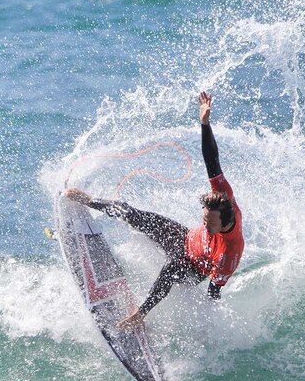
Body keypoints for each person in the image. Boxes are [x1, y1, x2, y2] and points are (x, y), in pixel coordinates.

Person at [65, 91, 244, 328]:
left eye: (211, 225)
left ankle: (140, 315)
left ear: (225, 222)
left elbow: (213, 291)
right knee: (135, 216)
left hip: (194, 269)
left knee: (171, 268)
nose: (207, 227)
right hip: (185, 239)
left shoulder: (229, 253)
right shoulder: (222, 196)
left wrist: (208, 324)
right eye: (205, 221)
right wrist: (204, 123)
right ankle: (90, 201)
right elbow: (212, 160)